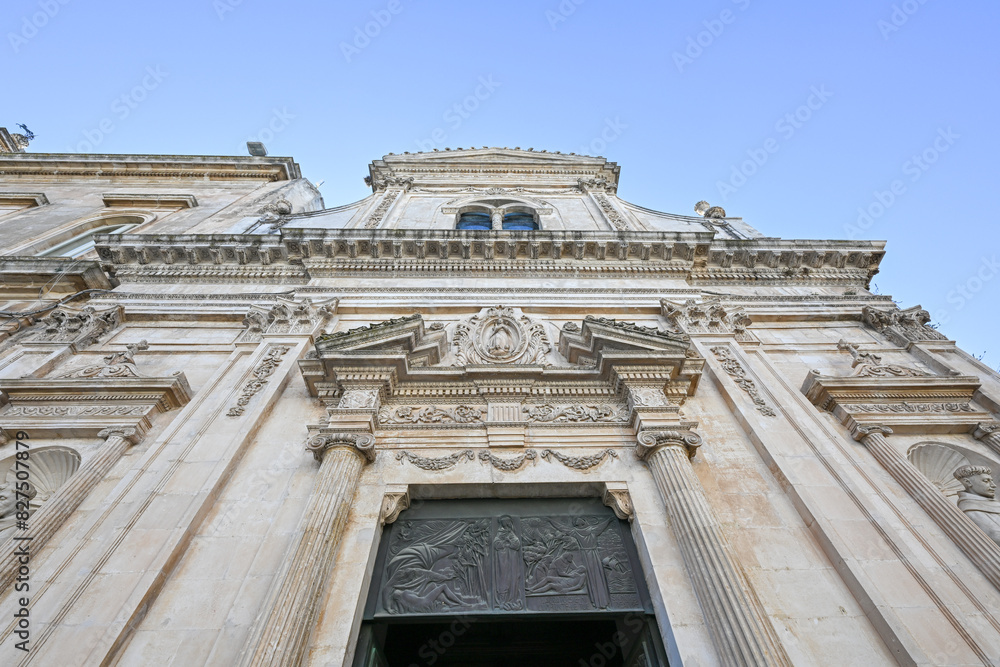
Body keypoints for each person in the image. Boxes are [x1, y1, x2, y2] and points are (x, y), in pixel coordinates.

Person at [954, 465, 1000, 545]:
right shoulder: (970, 509)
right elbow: (996, 536)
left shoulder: (993, 503)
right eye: (986, 481)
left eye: (991, 481)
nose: (993, 485)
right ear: (968, 482)